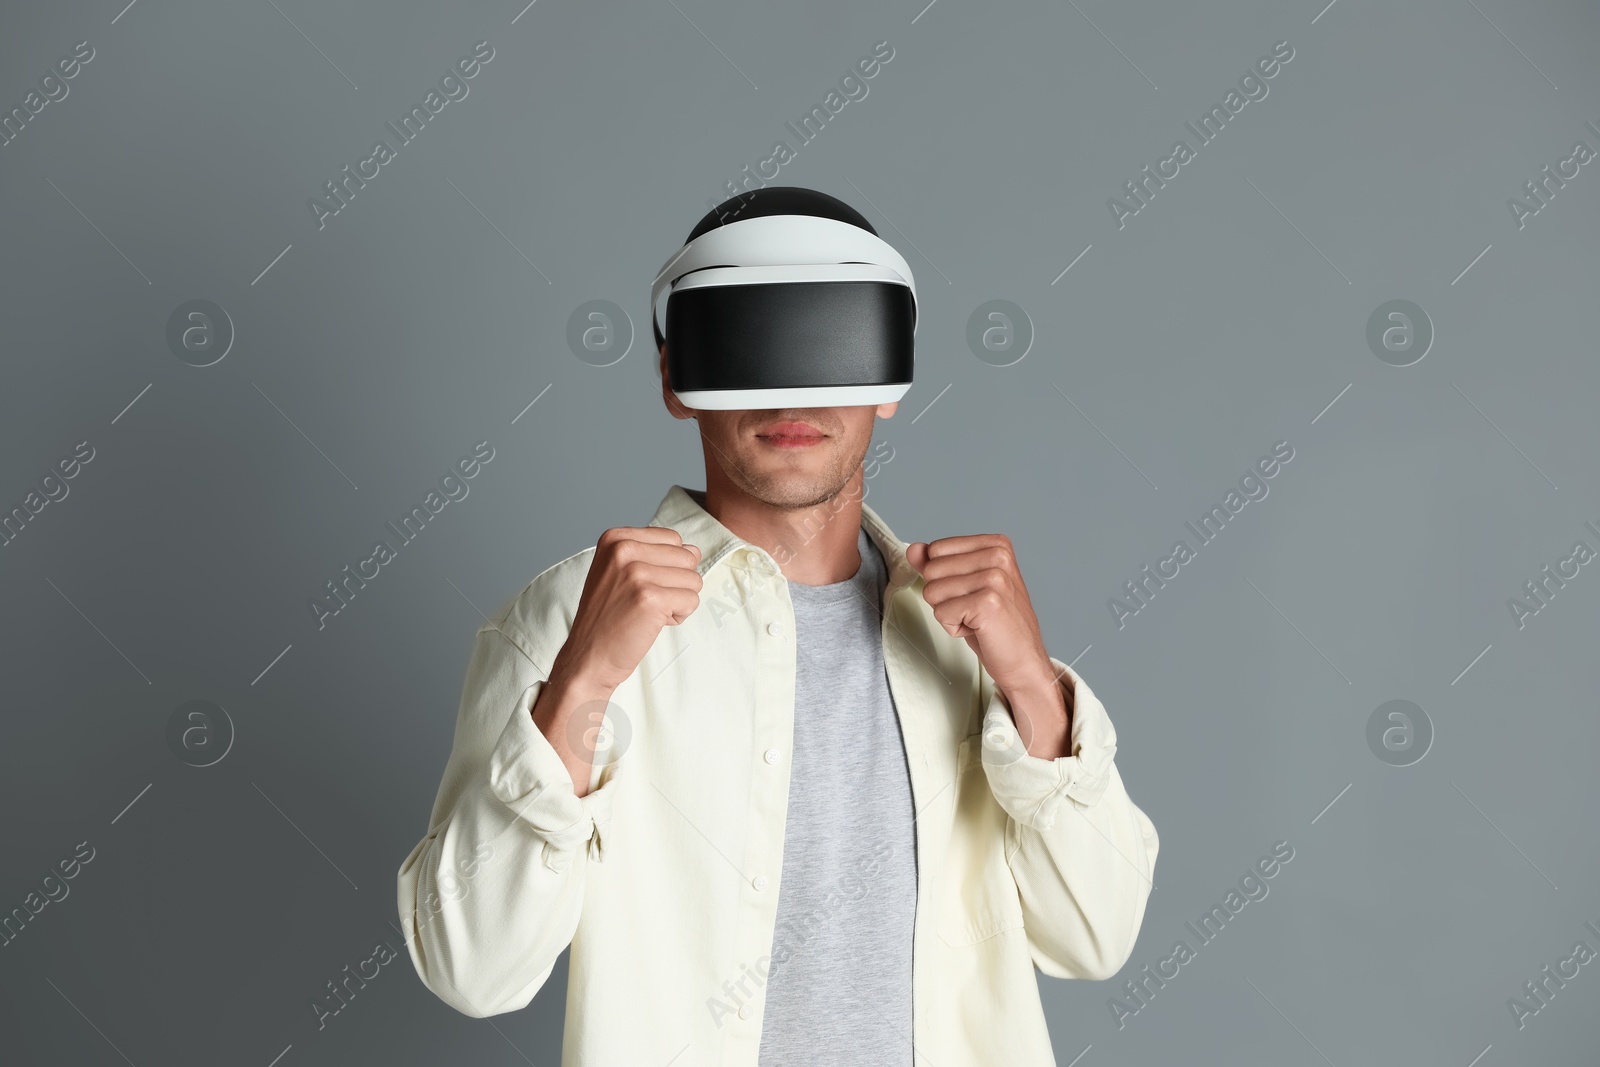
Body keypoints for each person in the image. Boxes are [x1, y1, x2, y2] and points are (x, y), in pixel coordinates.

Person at [396, 191, 1159, 1067]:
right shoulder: (564, 621)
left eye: (835, 343)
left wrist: (1032, 685)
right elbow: (472, 971)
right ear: (675, 379)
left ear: (892, 380)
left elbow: (1096, 937)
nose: (795, 391)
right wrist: (580, 686)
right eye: (750, 340)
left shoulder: (972, 638)